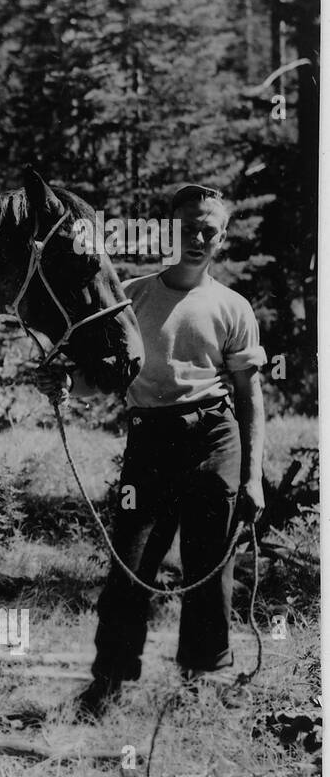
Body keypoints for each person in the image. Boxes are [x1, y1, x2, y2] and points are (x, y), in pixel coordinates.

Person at [39, 185, 267, 721]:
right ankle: (109, 682)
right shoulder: (131, 297)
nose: (198, 238)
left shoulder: (233, 307)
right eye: (187, 227)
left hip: (216, 438)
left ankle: (203, 681)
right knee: (131, 562)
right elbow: (101, 376)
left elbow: (250, 397)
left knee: (209, 564)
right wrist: (67, 382)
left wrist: (253, 477)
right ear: (169, 231)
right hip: (150, 442)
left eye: (209, 230)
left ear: (222, 238)